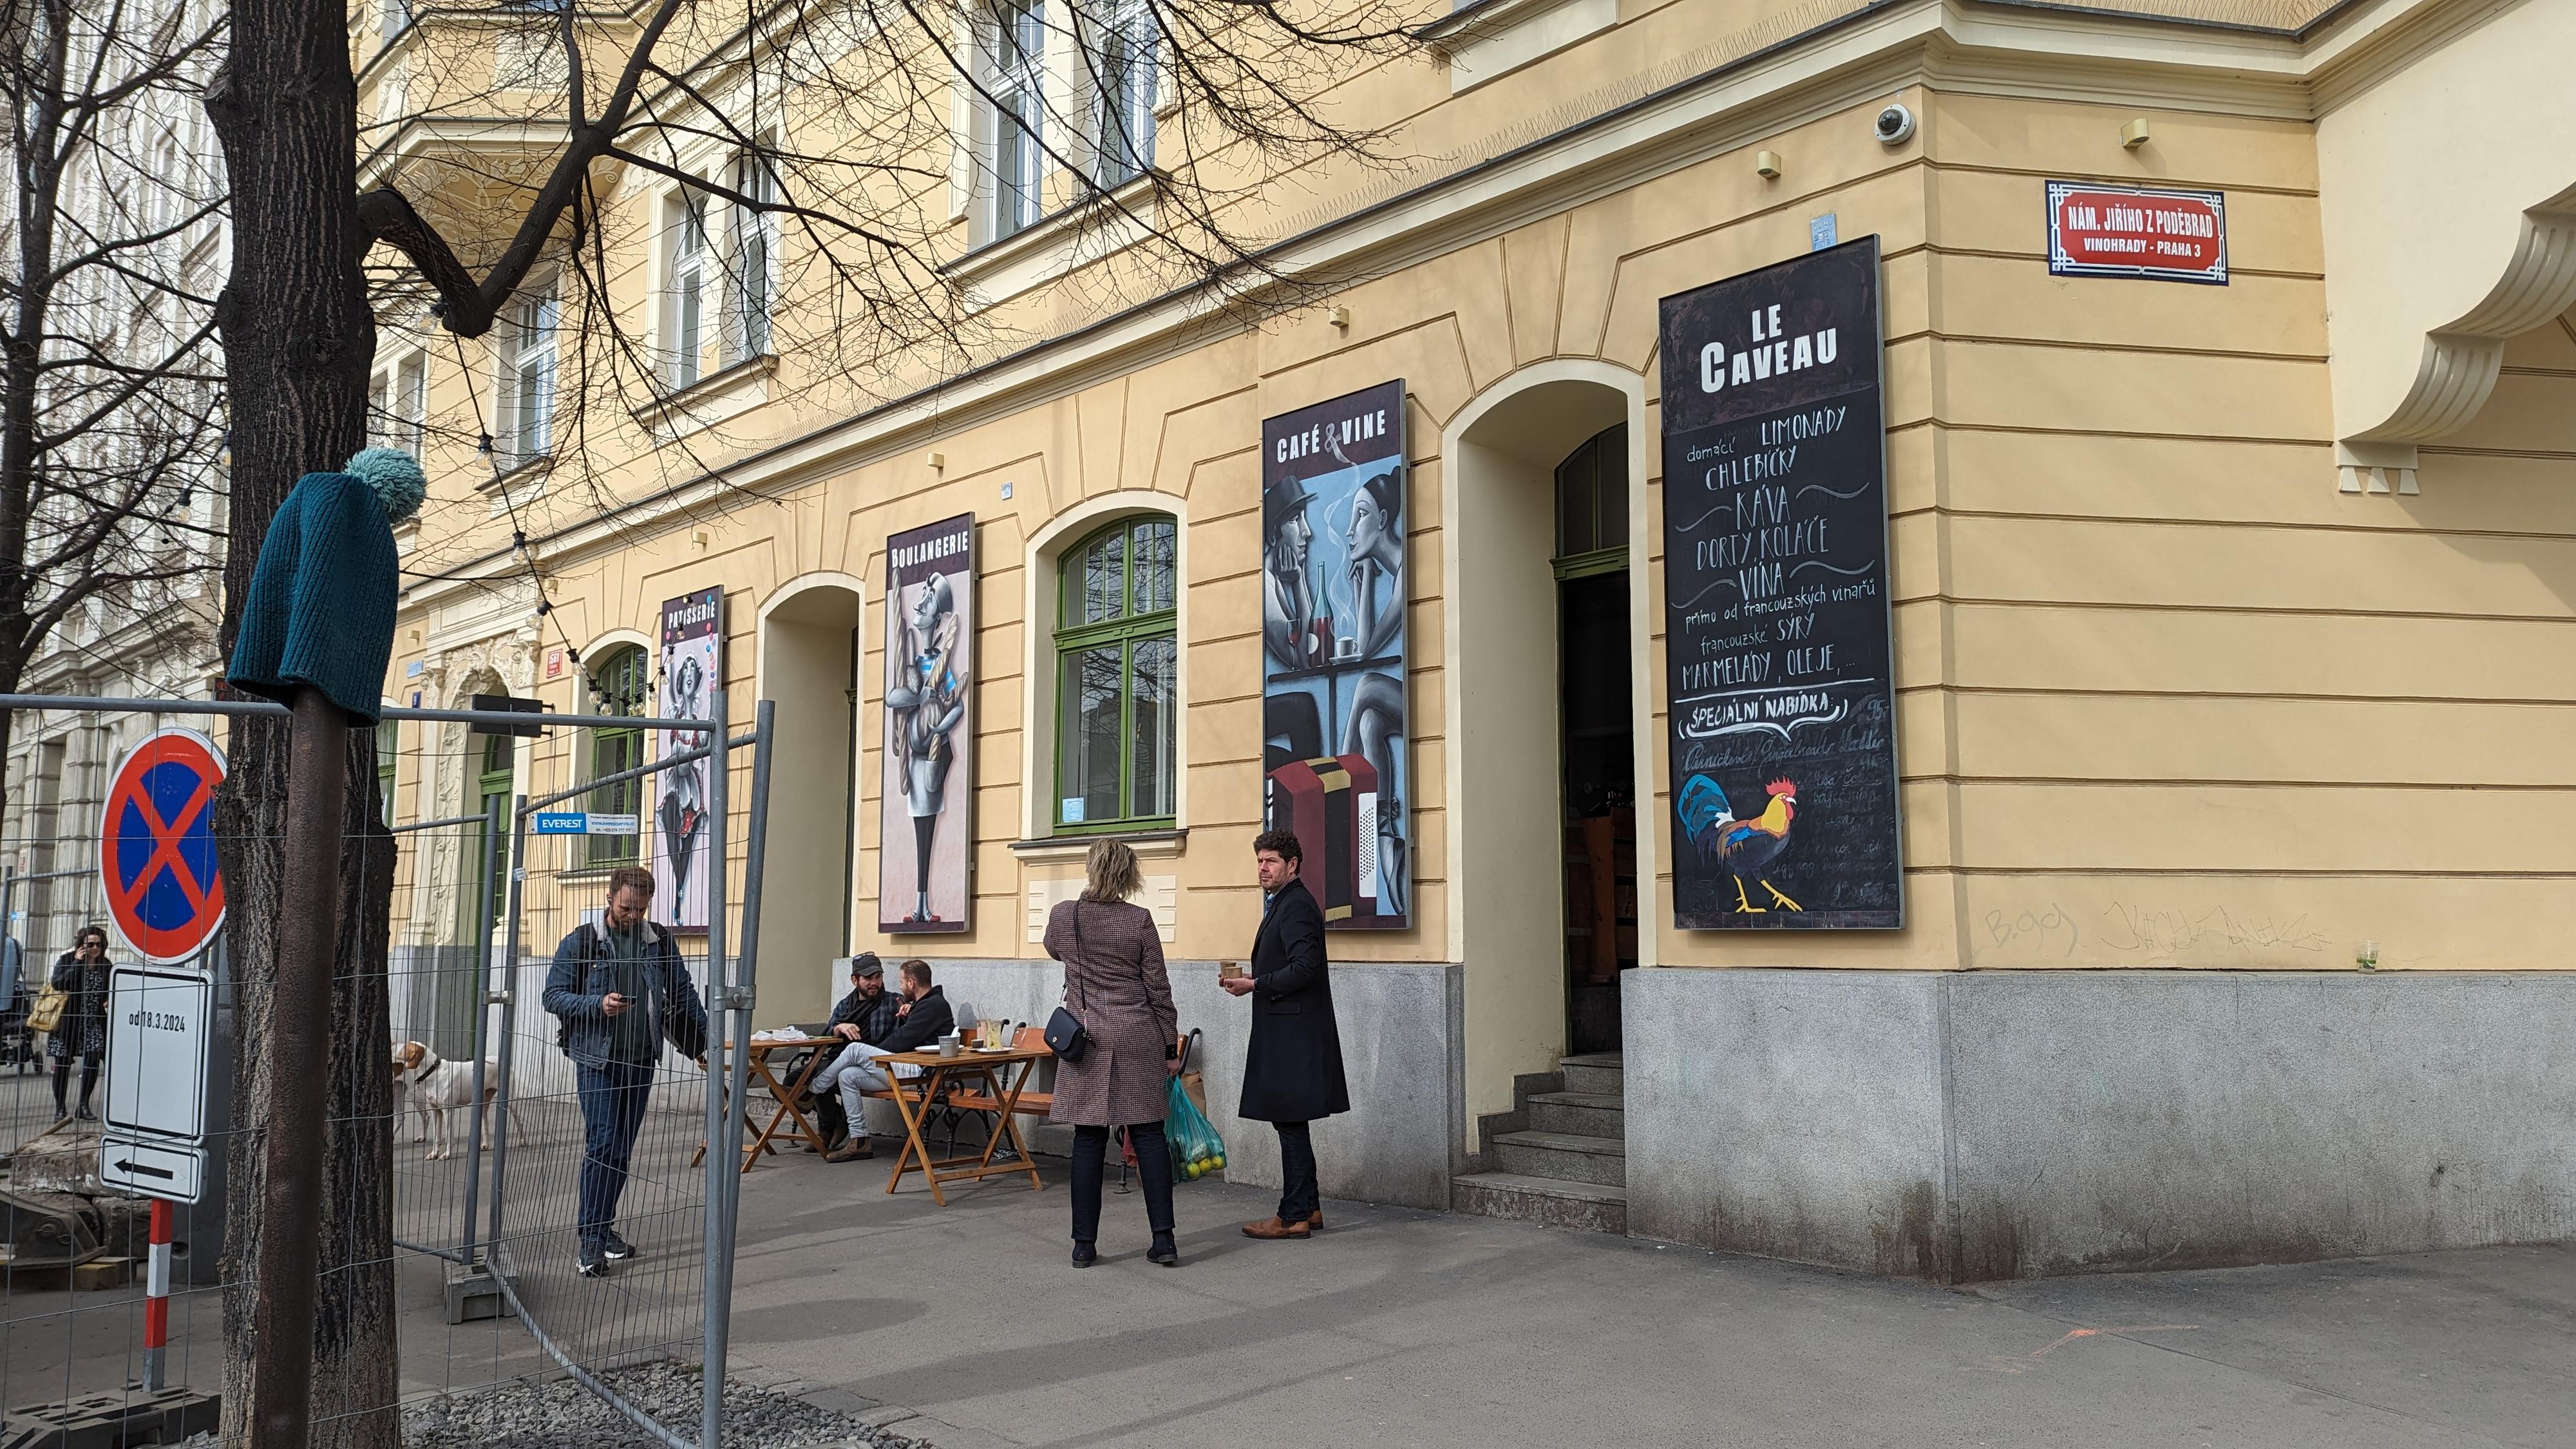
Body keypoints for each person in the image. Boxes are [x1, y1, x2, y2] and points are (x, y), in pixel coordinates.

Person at [542, 867, 709, 1278]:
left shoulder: (659, 941)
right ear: (611, 897)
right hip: (597, 1060)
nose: (633, 916)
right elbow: (552, 996)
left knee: (620, 1151)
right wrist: (597, 1005)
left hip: (640, 1059)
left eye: (641, 908)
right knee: (603, 1144)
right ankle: (591, 1242)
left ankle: (604, 1227)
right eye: (626, 907)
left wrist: (708, 1039)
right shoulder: (583, 941)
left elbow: (682, 989)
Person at [1044, 839, 1183, 1268]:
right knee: (1148, 1135)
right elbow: (1158, 989)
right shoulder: (1139, 921)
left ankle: (1084, 1246)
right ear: (1129, 874)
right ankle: (1164, 1241)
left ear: (1091, 868)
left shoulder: (1064, 915)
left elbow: (1053, 949)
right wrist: (1169, 1046)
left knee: (1088, 1137)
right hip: (1138, 1036)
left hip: (1086, 1037)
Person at [1220, 830, 1349, 1240]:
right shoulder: (1287, 903)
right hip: (1288, 1030)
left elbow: (1305, 968)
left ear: (1292, 865)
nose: (1262, 868)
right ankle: (1308, 1208)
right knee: (1291, 1123)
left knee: (1289, 1122)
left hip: (1293, 1034)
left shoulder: (1296, 906)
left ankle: (1292, 1215)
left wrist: (1256, 984)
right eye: (1259, 860)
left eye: (1270, 861)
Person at [817, 958, 953, 1162]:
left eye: (901, 982)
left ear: (911, 983)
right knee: (848, 1075)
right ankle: (860, 1141)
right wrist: (908, 1014)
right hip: (906, 1068)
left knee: (855, 1049)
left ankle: (814, 1089)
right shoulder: (924, 1005)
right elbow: (912, 1035)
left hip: (921, 1074)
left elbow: (903, 1040)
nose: (898, 986)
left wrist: (870, 1053)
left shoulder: (933, 1005)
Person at [802, 952, 902, 1155]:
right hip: (839, 1058)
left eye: (878, 977)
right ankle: (836, 1121)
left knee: (823, 1074)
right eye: (868, 978)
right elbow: (828, 1031)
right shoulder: (845, 1005)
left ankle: (825, 1130)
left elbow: (909, 1026)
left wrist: (908, 1012)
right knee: (793, 1080)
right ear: (855, 980)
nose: (875, 983)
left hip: (870, 1063)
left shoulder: (892, 1002)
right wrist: (840, 1028)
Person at [48, 926, 113, 1121]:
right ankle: (60, 1107)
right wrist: (77, 962)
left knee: (93, 1061)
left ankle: (84, 1104)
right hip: (68, 1022)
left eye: (98, 945)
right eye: (90, 944)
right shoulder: (68, 960)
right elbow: (58, 984)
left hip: (93, 1021)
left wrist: (109, 998)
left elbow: (111, 988)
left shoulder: (106, 965)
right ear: (81, 945)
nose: (95, 948)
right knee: (63, 1063)